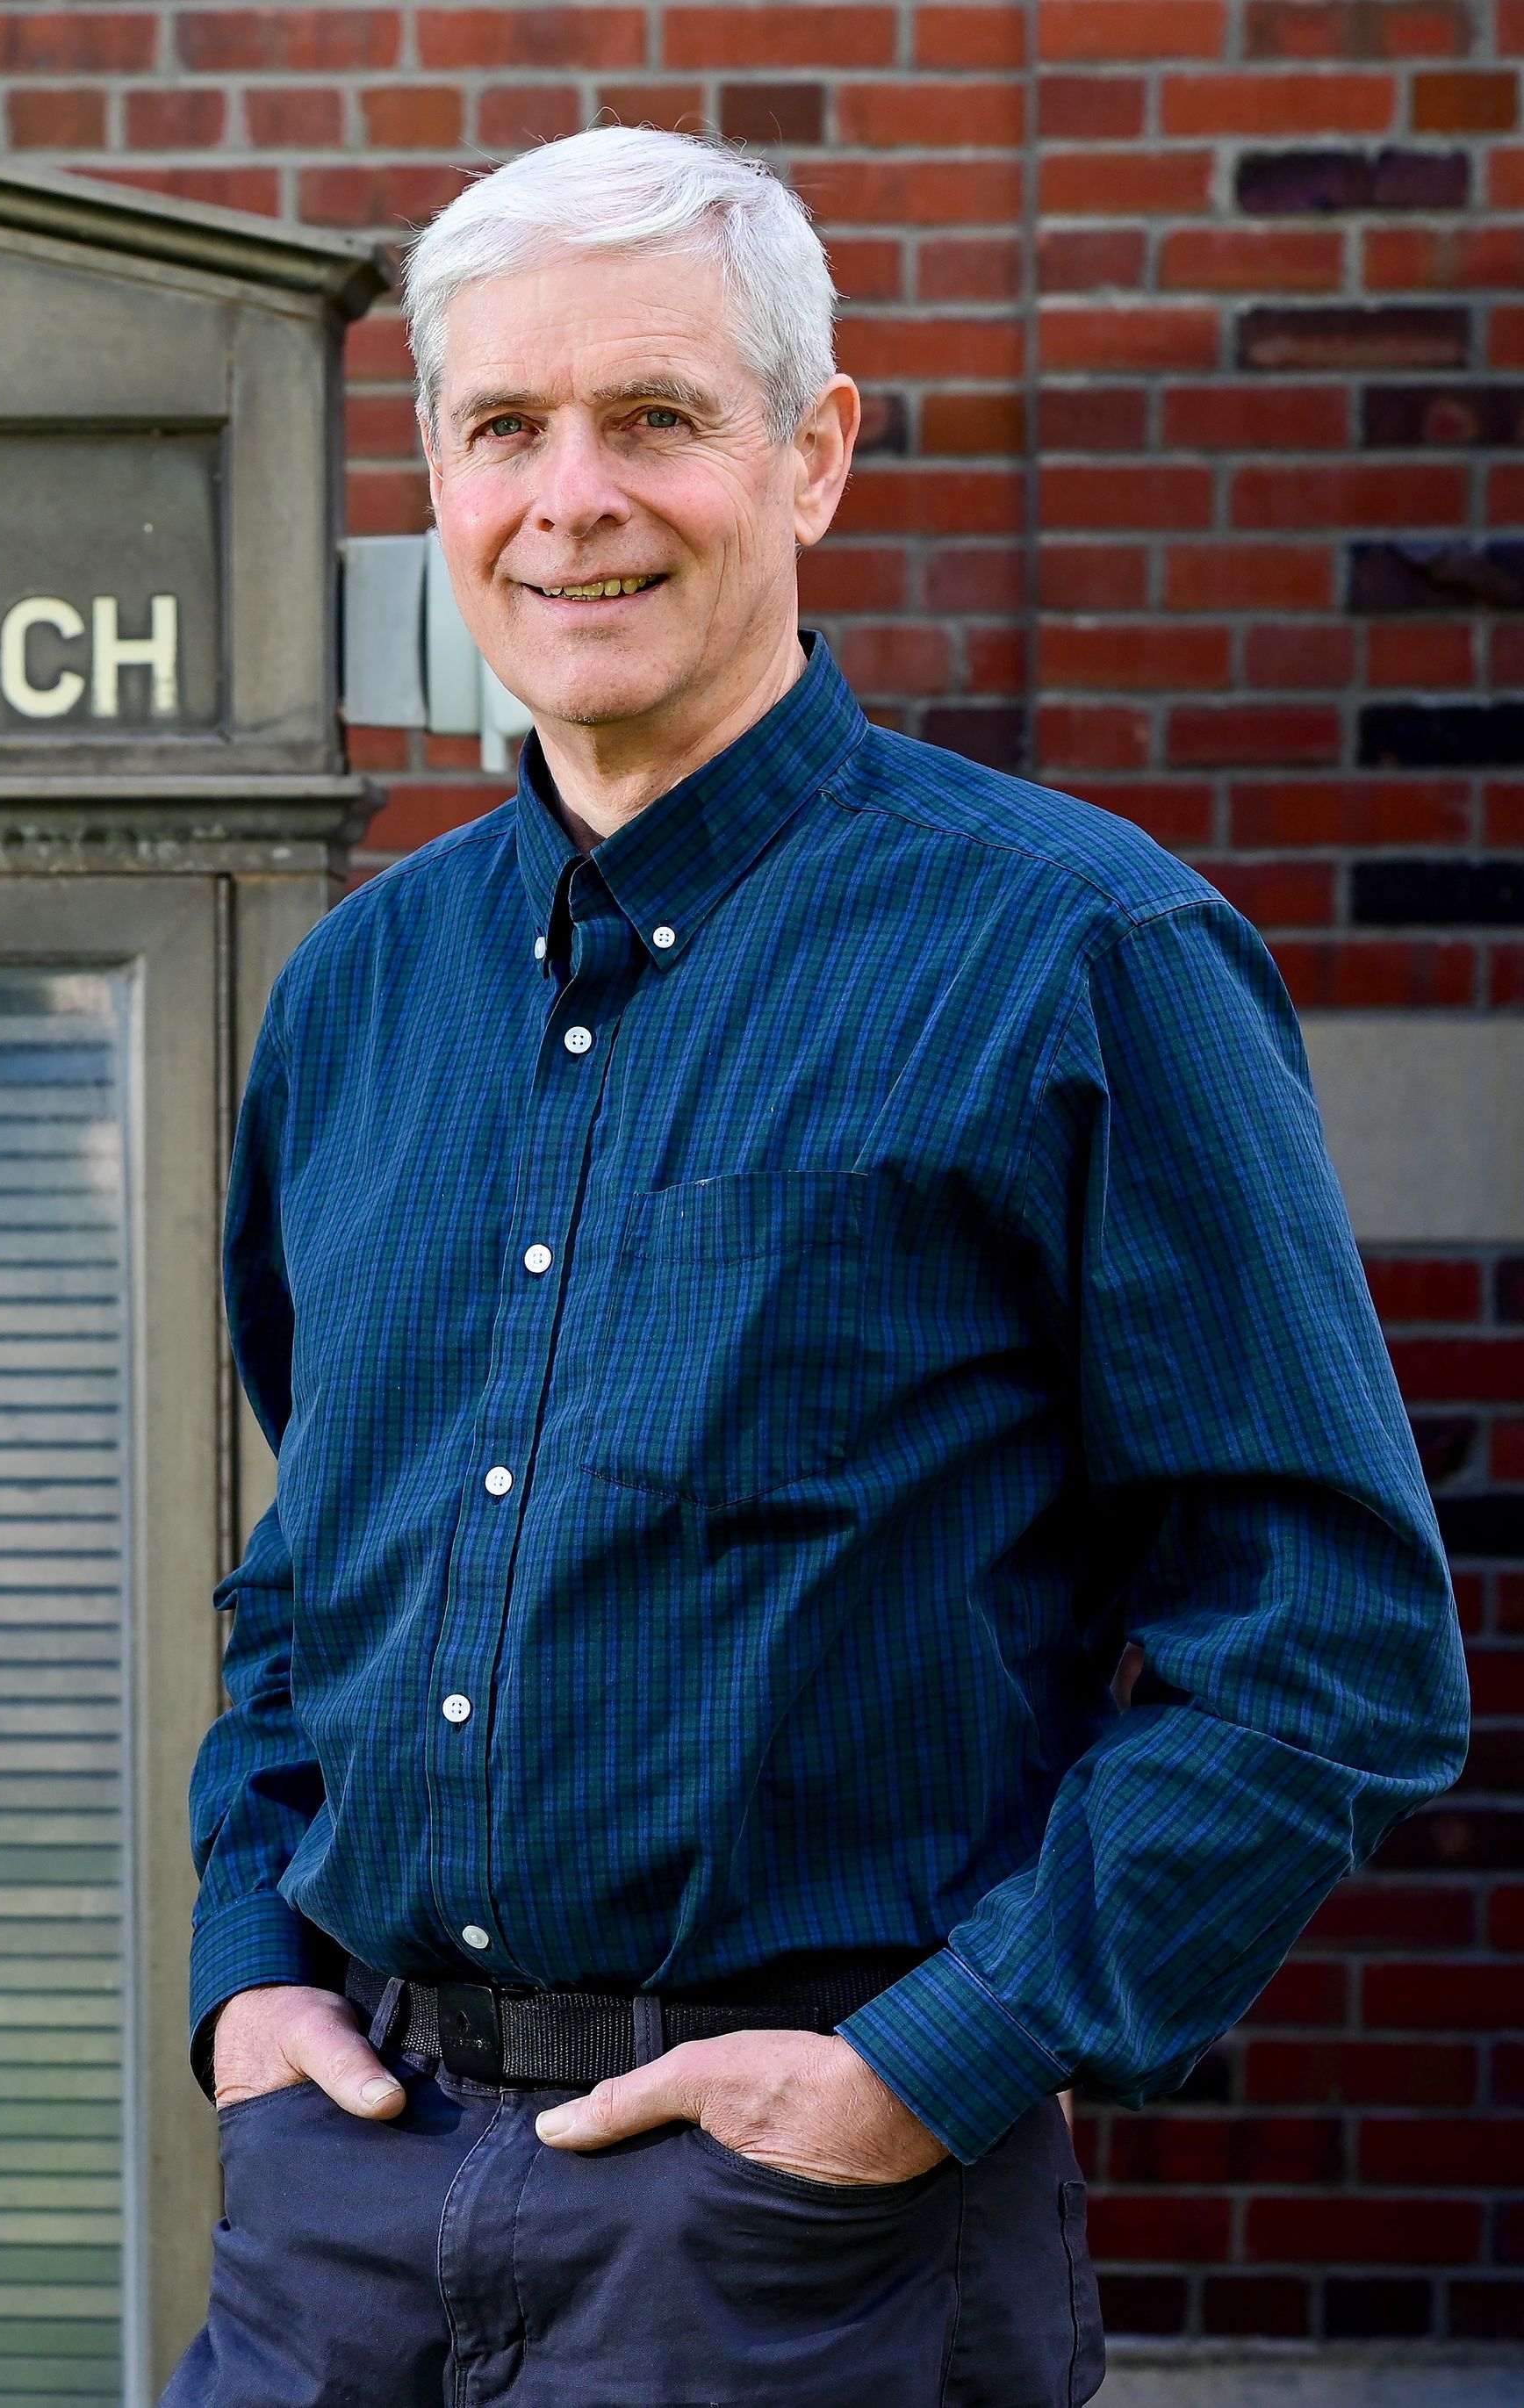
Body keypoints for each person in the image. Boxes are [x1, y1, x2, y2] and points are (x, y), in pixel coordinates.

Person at [169, 125, 1468, 2408]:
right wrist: (248, 1966)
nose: (573, 497)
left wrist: (936, 2061)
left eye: (656, 417)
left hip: (790, 2241)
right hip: (342, 2212)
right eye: (505, 427)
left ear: (814, 454)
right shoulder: (360, 998)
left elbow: (1332, 1648)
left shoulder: (1077, 954)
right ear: (440, 481)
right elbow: (317, 1581)